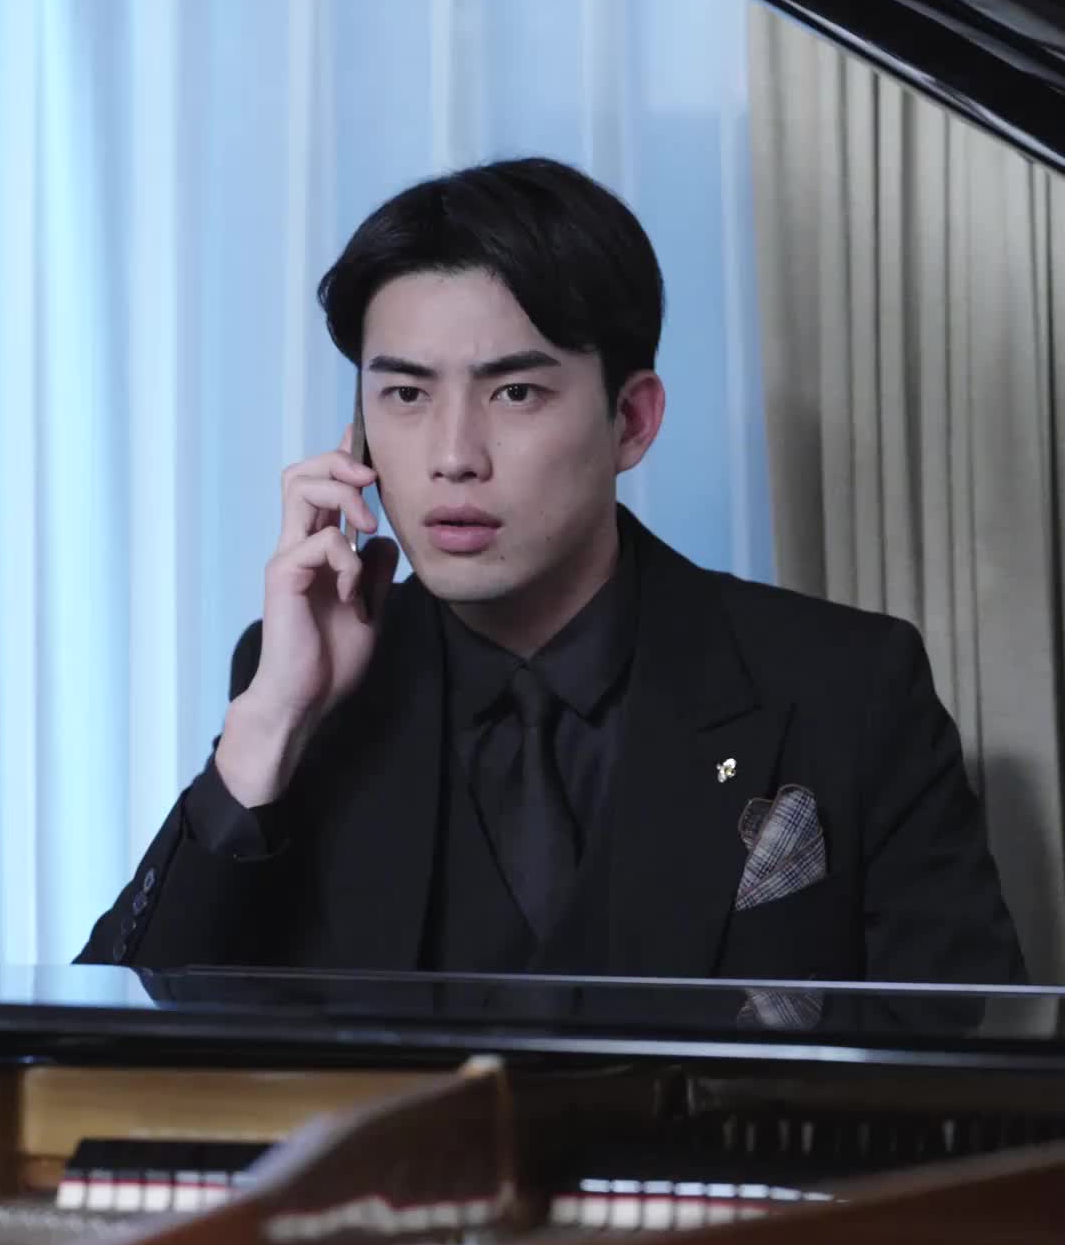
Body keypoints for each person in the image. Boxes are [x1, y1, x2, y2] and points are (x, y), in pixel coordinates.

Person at [78, 157, 1025, 984]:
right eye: (404, 394)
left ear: (632, 421)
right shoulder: (296, 683)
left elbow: (972, 1079)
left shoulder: (846, 689)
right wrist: (266, 729)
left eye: (516, 392)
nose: (453, 457)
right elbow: (97, 1058)